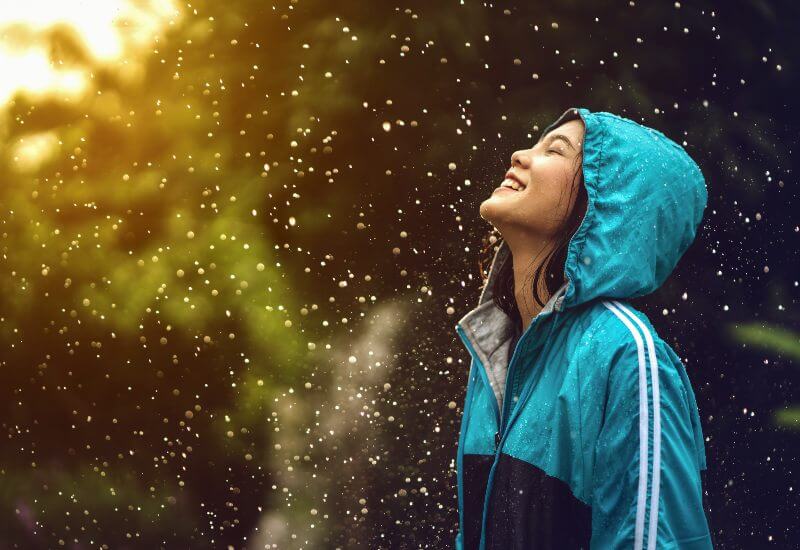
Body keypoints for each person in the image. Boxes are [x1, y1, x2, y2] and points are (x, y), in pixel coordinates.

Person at [454, 107, 716, 549]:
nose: (520, 155)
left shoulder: (625, 353)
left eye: (554, 150)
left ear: (607, 203)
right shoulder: (497, 347)